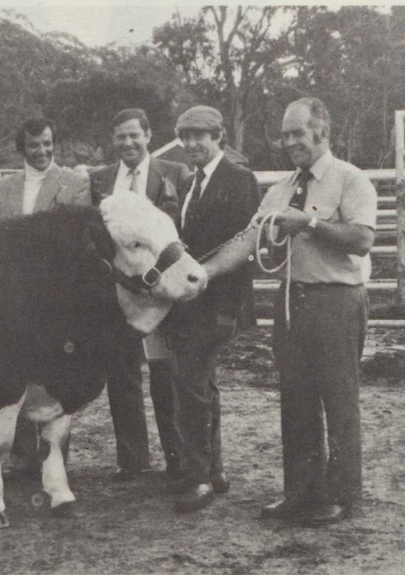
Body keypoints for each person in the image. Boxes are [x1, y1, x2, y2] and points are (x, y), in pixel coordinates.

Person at [201, 97, 377, 525]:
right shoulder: (280, 189)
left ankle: (339, 495)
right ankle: (300, 492)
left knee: (337, 398)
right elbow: (246, 242)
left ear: (322, 132)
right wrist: (201, 273)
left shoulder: (351, 180)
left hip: (336, 301)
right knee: (295, 400)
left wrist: (310, 224)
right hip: (290, 301)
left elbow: (362, 239)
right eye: (286, 135)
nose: (291, 142)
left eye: (299, 133)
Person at [163, 105, 262, 513]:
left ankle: (198, 477)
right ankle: (214, 470)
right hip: (192, 299)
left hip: (219, 299)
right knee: (201, 384)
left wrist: (221, 294)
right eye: (184, 137)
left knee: (190, 386)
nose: (190, 145)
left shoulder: (238, 179)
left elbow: (243, 244)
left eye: (199, 136)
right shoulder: (188, 183)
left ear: (218, 136)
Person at [89, 108, 190, 481]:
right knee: (122, 375)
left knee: (167, 376)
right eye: (121, 137)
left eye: (135, 135)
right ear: (113, 140)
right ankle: (132, 459)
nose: (128, 143)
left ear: (148, 135)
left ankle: (177, 457)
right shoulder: (100, 180)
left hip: (161, 294)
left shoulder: (175, 174)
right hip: (120, 296)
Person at [0, 117, 90, 476]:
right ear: (23, 148)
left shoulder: (75, 183)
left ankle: (55, 457)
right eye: (34, 145)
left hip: (56, 297)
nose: (42, 150)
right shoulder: (4, 189)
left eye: (47, 143)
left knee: (54, 376)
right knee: (15, 372)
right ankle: (20, 455)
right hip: (14, 296)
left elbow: (77, 242)